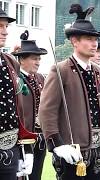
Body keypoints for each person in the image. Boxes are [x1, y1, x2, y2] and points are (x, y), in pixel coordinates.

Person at [38, 4, 100, 180]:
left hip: (98, 152)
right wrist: (56, 144)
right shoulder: (60, 70)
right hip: (72, 153)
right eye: (89, 38)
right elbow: (46, 111)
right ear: (74, 41)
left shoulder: (99, 73)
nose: (95, 44)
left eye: (96, 40)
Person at [0, 8, 37, 180]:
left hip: (11, 151)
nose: (5, 31)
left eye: (6, 26)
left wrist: (26, 150)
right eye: (0, 26)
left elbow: (19, 111)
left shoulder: (10, 62)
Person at [12, 30, 48, 180]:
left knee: (36, 176)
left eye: (39, 58)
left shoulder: (40, 78)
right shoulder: (14, 78)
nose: (38, 62)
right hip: (22, 141)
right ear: (21, 60)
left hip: (40, 140)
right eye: (34, 58)